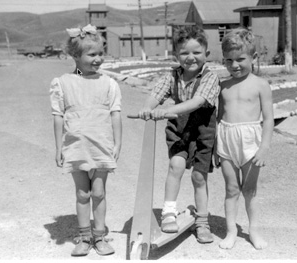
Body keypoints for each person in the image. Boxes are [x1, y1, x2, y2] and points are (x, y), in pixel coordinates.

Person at [138, 25, 220, 244]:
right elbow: (156, 94)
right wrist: (148, 107)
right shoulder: (172, 76)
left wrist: (166, 111)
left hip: (202, 132)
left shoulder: (211, 78)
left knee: (198, 177)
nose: (190, 58)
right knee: (175, 167)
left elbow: (197, 102)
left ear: (206, 55)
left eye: (196, 52)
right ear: (176, 56)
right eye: (184, 53)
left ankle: (202, 221)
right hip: (179, 130)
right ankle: (168, 213)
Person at [49, 24, 122, 256]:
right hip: (76, 146)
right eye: (92, 54)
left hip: (101, 145)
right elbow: (58, 117)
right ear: (75, 56)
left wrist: (117, 143)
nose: (98, 59)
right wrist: (59, 147)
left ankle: (99, 237)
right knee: (82, 193)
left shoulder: (109, 83)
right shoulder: (62, 83)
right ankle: (84, 237)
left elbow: (115, 114)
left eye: (101, 53)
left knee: (99, 192)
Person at [215, 28, 274, 250]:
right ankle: (231, 232)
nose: (235, 65)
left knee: (250, 190)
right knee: (231, 189)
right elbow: (219, 117)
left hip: (251, 142)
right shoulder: (223, 86)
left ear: (253, 58)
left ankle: (253, 231)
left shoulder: (261, 85)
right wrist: (215, 148)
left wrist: (264, 147)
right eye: (229, 60)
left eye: (240, 59)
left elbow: (268, 119)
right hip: (227, 140)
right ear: (223, 61)